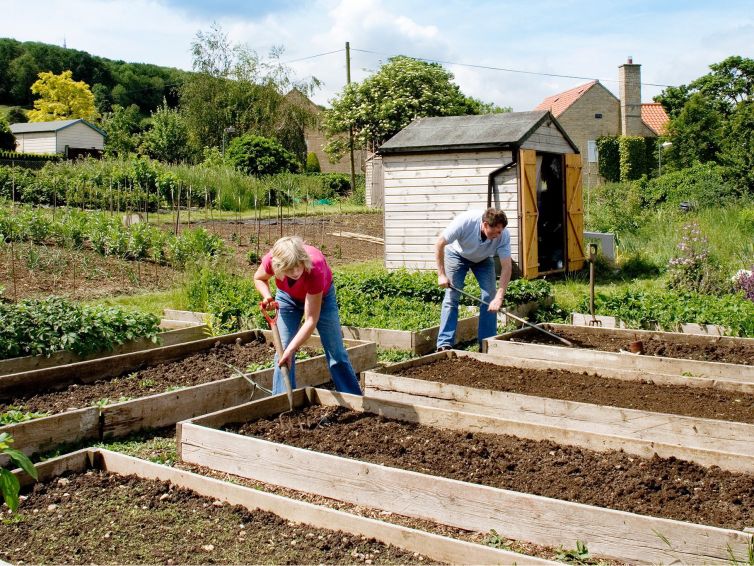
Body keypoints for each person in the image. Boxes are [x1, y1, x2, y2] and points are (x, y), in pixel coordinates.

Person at [254, 236, 362, 396]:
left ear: (303, 259)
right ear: (279, 266)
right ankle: (282, 401)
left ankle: (352, 397)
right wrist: (267, 296)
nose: (296, 272)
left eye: (298, 266)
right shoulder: (272, 260)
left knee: (336, 352)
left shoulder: (315, 266)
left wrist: (291, 349)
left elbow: (311, 320)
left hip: (322, 298)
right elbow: (259, 278)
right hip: (287, 298)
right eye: (289, 269)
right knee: (282, 351)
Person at [435, 208, 512, 351]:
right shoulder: (466, 222)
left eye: (500, 231)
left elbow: (507, 267)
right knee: (452, 297)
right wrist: (441, 274)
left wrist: (499, 297)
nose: (498, 235)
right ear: (484, 225)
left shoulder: (503, 235)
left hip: (483, 259)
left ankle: (486, 344)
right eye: (494, 231)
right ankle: (444, 344)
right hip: (457, 255)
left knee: (490, 297)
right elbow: (440, 243)